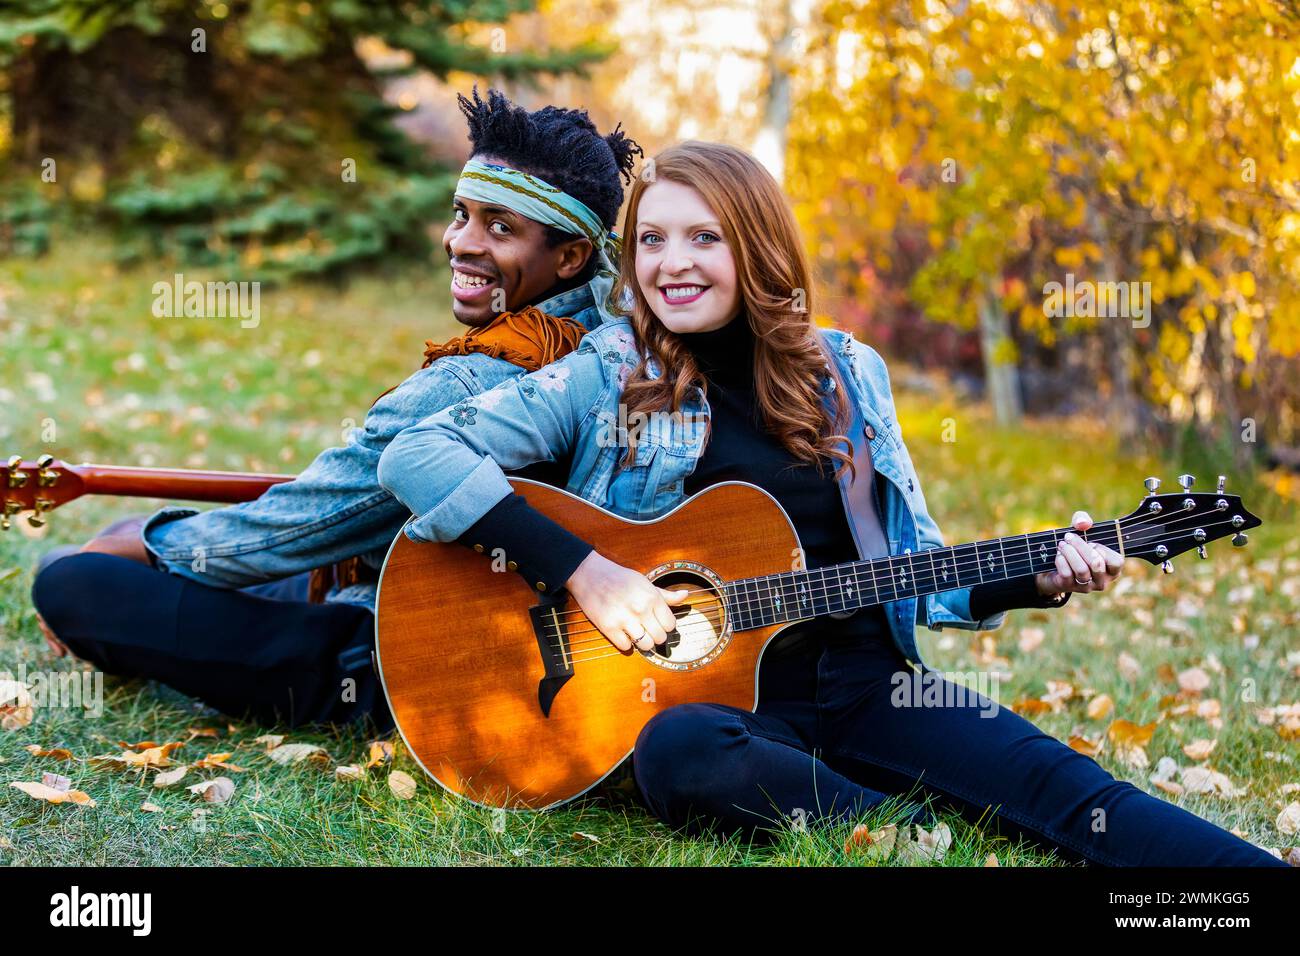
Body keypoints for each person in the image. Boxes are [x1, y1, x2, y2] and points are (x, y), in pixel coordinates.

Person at [376, 141, 1287, 866]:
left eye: (704, 238)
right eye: (651, 239)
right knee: (679, 755)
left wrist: (1034, 579)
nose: (672, 264)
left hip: (865, 686)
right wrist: (591, 572)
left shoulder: (847, 373)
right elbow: (416, 450)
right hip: (707, 709)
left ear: (758, 244)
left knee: (1074, 796)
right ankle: (902, 823)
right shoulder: (611, 371)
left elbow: (917, 568)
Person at [29, 87, 642, 733]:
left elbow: (295, 531)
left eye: (500, 227)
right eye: (461, 214)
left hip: (394, 655)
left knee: (73, 584)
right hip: (423, 590)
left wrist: (158, 547)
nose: (460, 242)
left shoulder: (472, 380)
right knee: (85, 562)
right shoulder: (607, 336)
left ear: (570, 255)